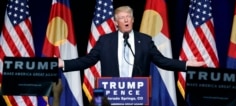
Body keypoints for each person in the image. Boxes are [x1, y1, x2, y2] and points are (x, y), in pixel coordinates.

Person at [58, 5, 205, 76]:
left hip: (138, 96)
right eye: (122, 18)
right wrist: (64, 63)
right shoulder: (105, 41)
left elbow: (162, 61)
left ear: (133, 20)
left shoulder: (145, 41)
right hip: (112, 96)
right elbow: (88, 60)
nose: (126, 20)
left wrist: (186, 64)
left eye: (128, 17)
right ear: (116, 23)